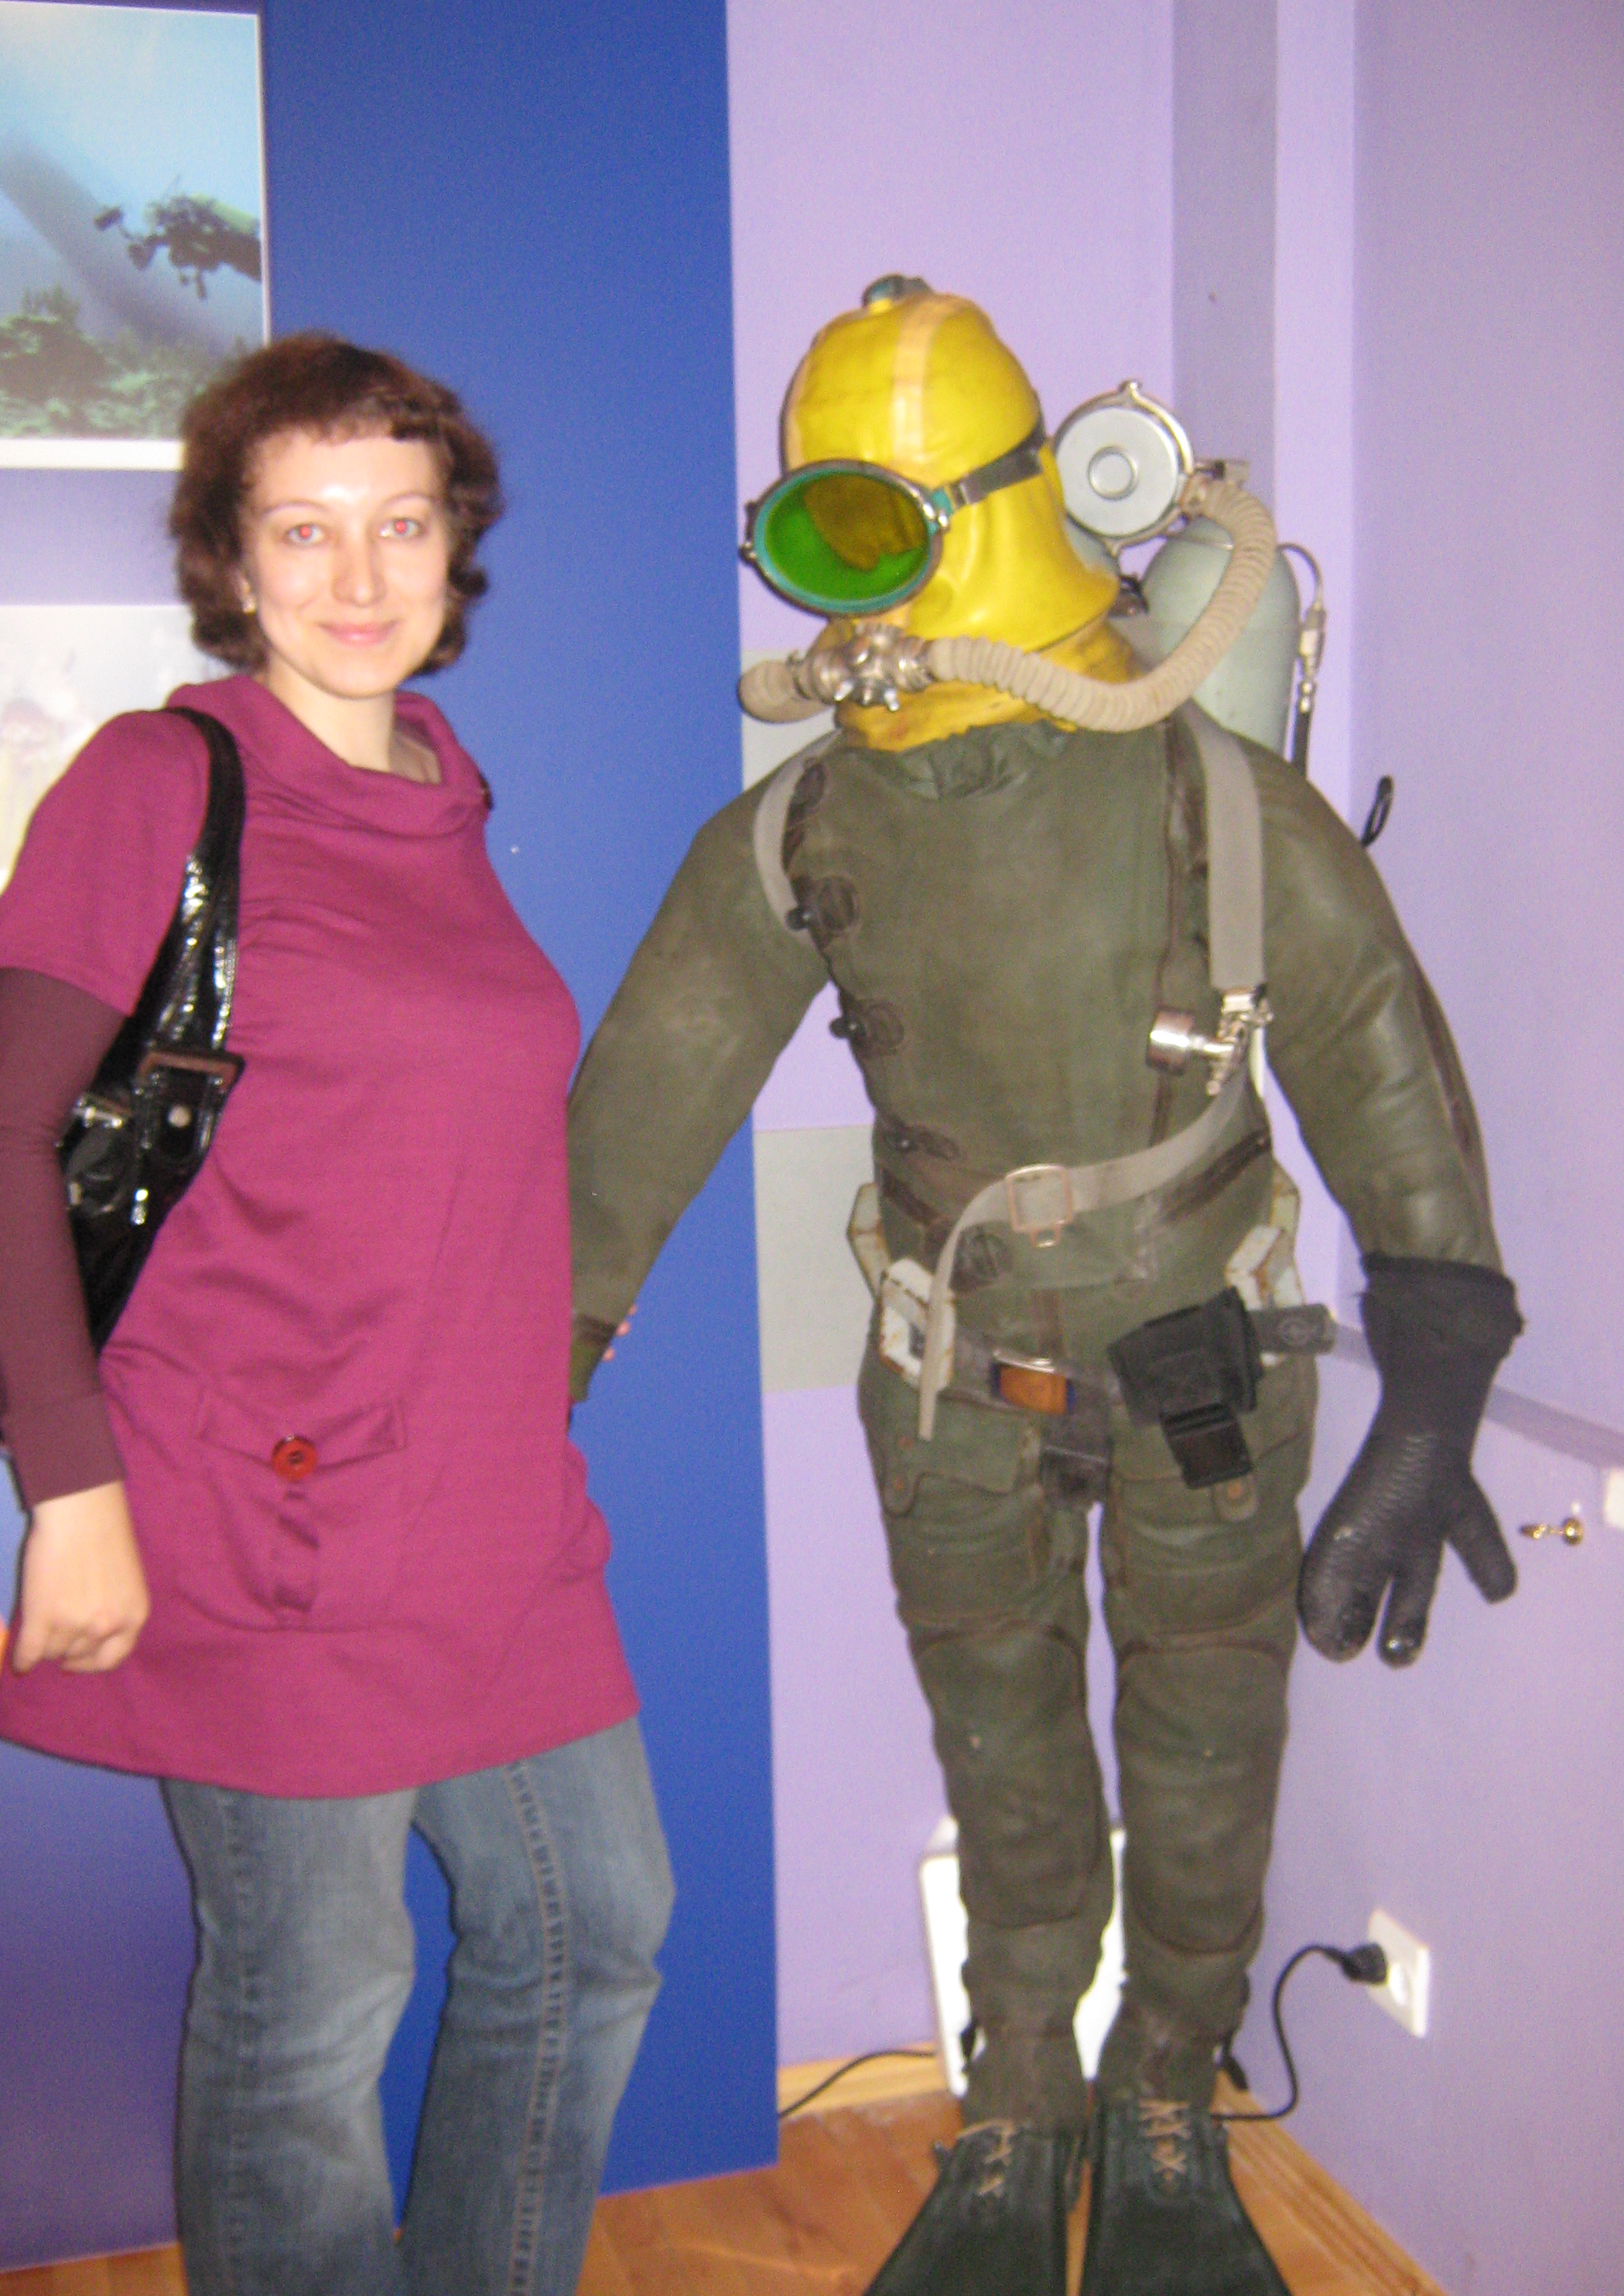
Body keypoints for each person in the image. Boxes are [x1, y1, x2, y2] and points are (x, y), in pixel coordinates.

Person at [564, 282, 1519, 2296]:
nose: (853, 589)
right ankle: (1019, 2110)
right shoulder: (809, 827)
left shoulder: (1211, 798)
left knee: (1207, 1748)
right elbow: (646, 1097)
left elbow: (1381, 1064)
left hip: (1203, 1369)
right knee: (1001, 1757)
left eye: (881, 528)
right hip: (954, 1381)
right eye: (817, 533)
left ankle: (1165, 2099)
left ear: (1008, 510)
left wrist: (1437, 1381)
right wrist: (528, 1370)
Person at [0, 333, 673, 2296]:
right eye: (304, 529)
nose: (359, 575)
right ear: (233, 561)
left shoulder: (442, 787)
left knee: (595, 1929)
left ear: (455, 549)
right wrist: (71, 1489)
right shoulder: (161, 781)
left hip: (488, 1503)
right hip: (260, 1504)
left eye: (400, 525)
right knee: (318, 2003)